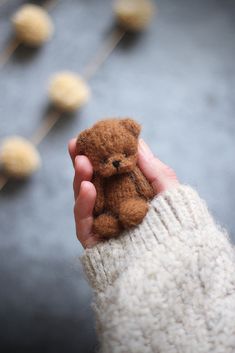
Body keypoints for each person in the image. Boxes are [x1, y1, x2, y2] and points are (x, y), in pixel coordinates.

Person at [68, 138, 235, 353]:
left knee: (132, 209)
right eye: (105, 159)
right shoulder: (101, 182)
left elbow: (142, 187)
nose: (116, 163)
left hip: (134, 206)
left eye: (122, 156)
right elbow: (98, 200)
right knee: (104, 221)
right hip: (111, 215)